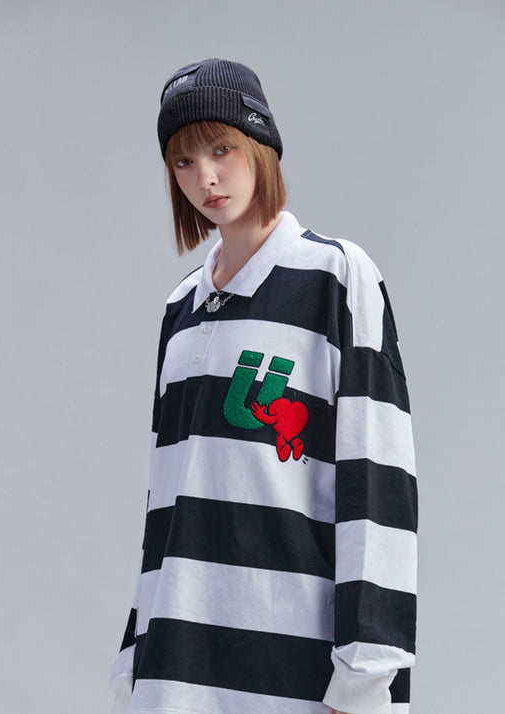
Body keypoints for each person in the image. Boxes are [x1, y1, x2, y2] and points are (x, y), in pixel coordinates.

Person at [109, 58, 418, 714]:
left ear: (260, 145)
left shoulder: (336, 277)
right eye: (183, 160)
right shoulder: (181, 308)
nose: (205, 176)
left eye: (221, 149)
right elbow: (167, 496)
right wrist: (136, 650)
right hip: (173, 669)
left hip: (295, 665)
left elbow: (379, 481)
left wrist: (367, 672)